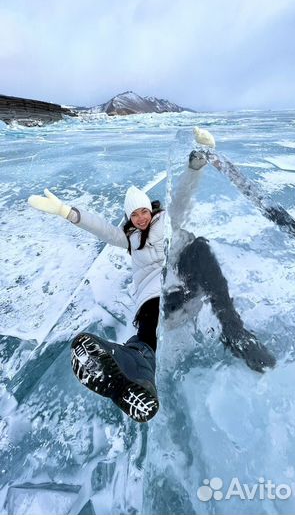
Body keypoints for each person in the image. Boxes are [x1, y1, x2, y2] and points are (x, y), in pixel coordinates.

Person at [28, 129, 276, 423]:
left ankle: (234, 332)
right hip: (158, 299)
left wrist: (194, 166)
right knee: (147, 325)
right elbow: (102, 228)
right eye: (135, 215)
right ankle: (136, 372)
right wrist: (66, 211)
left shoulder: (166, 222)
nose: (141, 218)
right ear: (130, 218)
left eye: (144, 211)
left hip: (185, 284)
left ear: (150, 209)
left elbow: (183, 195)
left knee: (198, 247)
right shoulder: (129, 239)